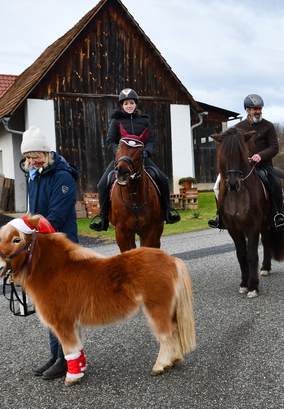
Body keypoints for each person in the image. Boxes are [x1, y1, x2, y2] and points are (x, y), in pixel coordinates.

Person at [20, 126, 79, 379]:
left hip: (60, 245)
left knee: (60, 306)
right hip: (42, 244)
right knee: (49, 304)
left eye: (36, 155)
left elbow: (54, 217)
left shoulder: (63, 176)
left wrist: (25, 231)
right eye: (28, 157)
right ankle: (56, 355)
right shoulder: (34, 175)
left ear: (46, 152)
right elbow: (33, 211)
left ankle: (67, 359)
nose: (32, 161)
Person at [89, 88, 180, 231]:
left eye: (131, 103)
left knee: (162, 178)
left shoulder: (144, 121)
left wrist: (147, 152)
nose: (129, 106)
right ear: (122, 105)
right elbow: (110, 141)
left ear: (135, 104)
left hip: (140, 159)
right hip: (121, 160)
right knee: (102, 184)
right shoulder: (116, 121)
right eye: (126, 103)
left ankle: (168, 211)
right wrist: (118, 152)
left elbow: (150, 140)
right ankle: (103, 217)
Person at [208, 94, 284, 231]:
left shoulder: (268, 126)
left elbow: (274, 147)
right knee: (217, 186)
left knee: (274, 182)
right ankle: (221, 217)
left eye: (259, 108)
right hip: (241, 167)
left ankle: (278, 214)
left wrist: (260, 156)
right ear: (247, 110)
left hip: (263, 165)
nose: (258, 111)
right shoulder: (238, 127)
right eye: (254, 109)